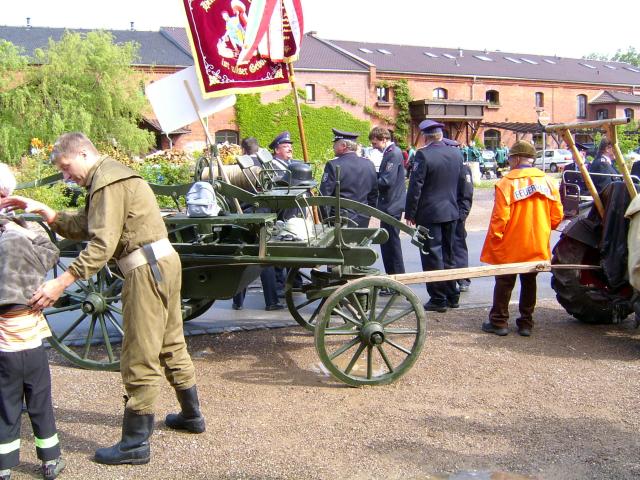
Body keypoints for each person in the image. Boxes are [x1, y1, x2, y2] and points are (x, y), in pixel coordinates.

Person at [0, 133, 205, 466]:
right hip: (162, 263)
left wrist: (61, 283)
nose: (66, 176)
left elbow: (100, 246)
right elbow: (90, 224)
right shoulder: (110, 177)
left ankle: (135, 443)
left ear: (83, 153)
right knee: (171, 341)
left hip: (145, 269)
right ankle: (191, 415)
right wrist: (49, 213)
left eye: (66, 168)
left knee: (139, 352)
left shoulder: (107, 182)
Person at [0, 165, 65, 480]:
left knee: (6, 404)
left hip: (4, 346)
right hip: (32, 340)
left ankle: (4, 464)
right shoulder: (25, 232)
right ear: (7, 194)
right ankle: (50, 459)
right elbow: (51, 253)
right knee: (40, 401)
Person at [480, 141, 563, 337]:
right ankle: (526, 323)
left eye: (509, 159)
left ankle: (499, 321)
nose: (509, 163)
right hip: (537, 242)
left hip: (511, 242)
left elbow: (500, 218)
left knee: (504, 281)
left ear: (516, 159)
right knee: (529, 281)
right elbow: (557, 215)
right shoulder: (549, 182)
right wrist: (545, 228)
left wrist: (495, 238)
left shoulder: (506, 183)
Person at [405, 120, 466, 312]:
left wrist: (410, 212)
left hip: (430, 213)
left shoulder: (423, 154)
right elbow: (460, 183)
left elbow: (416, 186)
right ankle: (452, 294)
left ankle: (438, 298)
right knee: (449, 255)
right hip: (450, 211)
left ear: (426, 136)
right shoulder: (456, 153)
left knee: (432, 256)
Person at [233, 137, 284, 311]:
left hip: (243, 214)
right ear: (259, 148)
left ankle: (237, 301)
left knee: (243, 259)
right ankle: (271, 301)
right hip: (264, 215)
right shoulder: (269, 166)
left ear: (243, 150)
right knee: (265, 260)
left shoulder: (236, 168)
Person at [319, 129, 378, 228]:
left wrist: (327, 220)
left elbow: (324, 198)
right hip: (363, 218)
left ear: (343, 146)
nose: (333, 146)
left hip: (339, 220)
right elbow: (373, 195)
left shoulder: (333, 165)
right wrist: (367, 214)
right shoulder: (369, 164)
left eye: (335, 143)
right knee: (360, 243)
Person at [369, 127, 406, 280]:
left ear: (383, 139)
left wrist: (369, 181)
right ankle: (394, 277)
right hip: (391, 204)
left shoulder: (393, 153)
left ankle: (397, 278)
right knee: (388, 243)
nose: (373, 146)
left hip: (392, 205)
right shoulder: (391, 152)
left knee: (391, 244)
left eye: (375, 142)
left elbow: (386, 181)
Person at [443, 138, 473, 292]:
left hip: (457, 214)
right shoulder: (449, 167)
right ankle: (450, 277)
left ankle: (463, 279)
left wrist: (462, 215)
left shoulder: (463, 168)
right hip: (447, 213)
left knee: (459, 247)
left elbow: (467, 194)